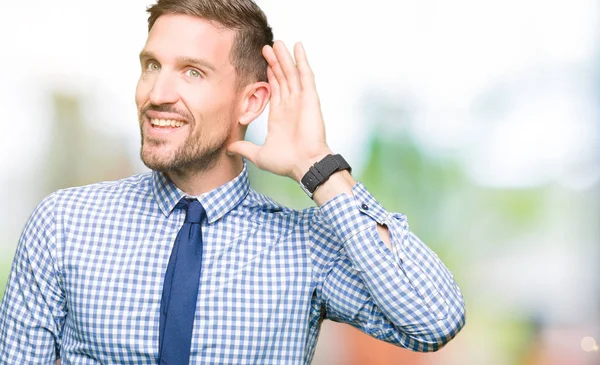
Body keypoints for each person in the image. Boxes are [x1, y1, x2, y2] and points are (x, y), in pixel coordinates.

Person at [0, 0, 466, 363]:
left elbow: (434, 319)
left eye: (192, 72)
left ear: (250, 102)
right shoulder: (63, 224)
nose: (158, 94)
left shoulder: (305, 246)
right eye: (151, 65)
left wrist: (319, 166)